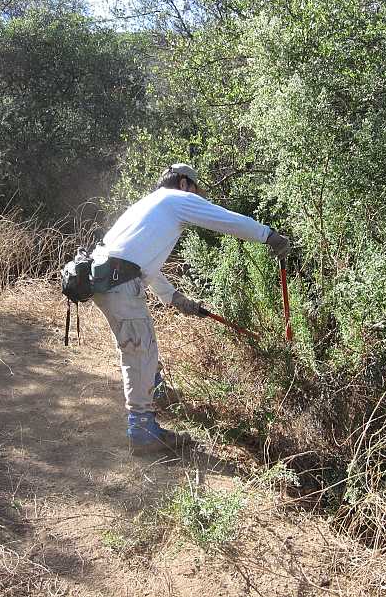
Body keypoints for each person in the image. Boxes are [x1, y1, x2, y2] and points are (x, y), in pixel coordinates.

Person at [91, 163, 290, 454]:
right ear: (184, 184)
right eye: (196, 190)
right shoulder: (177, 199)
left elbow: (135, 261)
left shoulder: (147, 204)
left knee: (140, 343)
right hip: (119, 285)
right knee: (139, 351)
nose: (196, 196)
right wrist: (268, 235)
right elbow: (225, 219)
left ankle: (157, 391)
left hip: (106, 281)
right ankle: (142, 431)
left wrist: (173, 298)